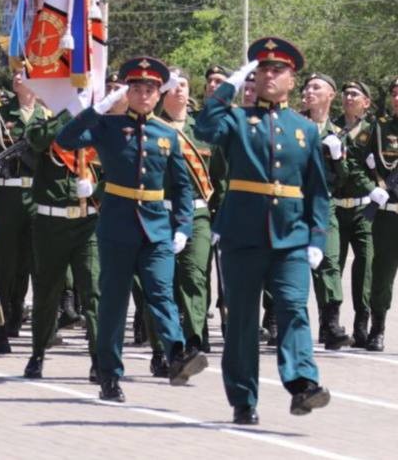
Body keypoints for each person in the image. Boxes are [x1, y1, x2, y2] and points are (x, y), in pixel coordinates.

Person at [195, 37, 331, 425]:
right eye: (263, 69)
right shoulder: (237, 120)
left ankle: (302, 383)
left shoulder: (304, 128)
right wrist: (230, 85)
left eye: (278, 70)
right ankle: (243, 398)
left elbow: (317, 191)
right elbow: (205, 127)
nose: (269, 75)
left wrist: (316, 238)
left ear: (292, 79)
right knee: (241, 320)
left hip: (290, 237)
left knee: (293, 309)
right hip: (242, 235)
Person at [57, 56, 207, 402]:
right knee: (113, 303)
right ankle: (109, 374)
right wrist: (99, 108)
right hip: (117, 226)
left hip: (156, 228)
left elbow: (183, 186)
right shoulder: (109, 127)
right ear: (127, 92)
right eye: (136, 88)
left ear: (159, 95)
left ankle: (177, 354)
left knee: (162, 294)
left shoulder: (167, 134)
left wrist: (183, 224)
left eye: (150, 89)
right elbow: (67, 139)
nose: (143, 94)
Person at [21, 107, 100, 381]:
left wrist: (97, 190)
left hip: (88, 222)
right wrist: (69, 115)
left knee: (93, 291)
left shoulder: (101, 123)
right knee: (46, 292)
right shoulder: (45, 120)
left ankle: (98, 358)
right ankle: (38, 353)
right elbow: (37, 140)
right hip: (50, 224)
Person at [0, 68, 46, 352]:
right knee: (4, 263)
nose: (18, 77)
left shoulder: (47, 115)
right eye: (15, 73)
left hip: (37, 193)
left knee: (34, 262)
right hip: (7, 193)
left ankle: (26, 318)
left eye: (26, 73)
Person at [158, 68, 216, 354]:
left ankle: (193, 339)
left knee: (194, 276)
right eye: (172, 85)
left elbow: (221, 176)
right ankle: (165, 343)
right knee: (163, 280)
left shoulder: (202, 130)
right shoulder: (153, 128)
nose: (178, 89)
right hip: (160, 213)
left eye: (183, 84)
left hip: (198, 214)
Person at [301, 73, 351, 350]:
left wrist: (336, 157)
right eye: (307, 87)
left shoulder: (338, 131)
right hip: (294, 203)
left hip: (324, 204)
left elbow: (343, 178)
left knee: (329, 262)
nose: (309, 91)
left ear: (330, 95)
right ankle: (276, 320)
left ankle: (330, 325)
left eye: (316, 87)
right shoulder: (294, 124)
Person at [332, 80, 377, 347]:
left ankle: (362, 325)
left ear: (366, 102)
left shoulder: (373, 131)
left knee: (365, 266)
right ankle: (332, 323)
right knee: (332, 267)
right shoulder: (332, 127)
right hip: (336, 205)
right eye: (346, 93)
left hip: (364, 208)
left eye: (354, 94)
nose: (348, 97)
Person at [366, 76, 398, 351]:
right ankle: (378, 328)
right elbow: (366, 165)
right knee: (382, 274)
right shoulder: (380, 129)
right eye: (396, 93)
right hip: (389, 215)